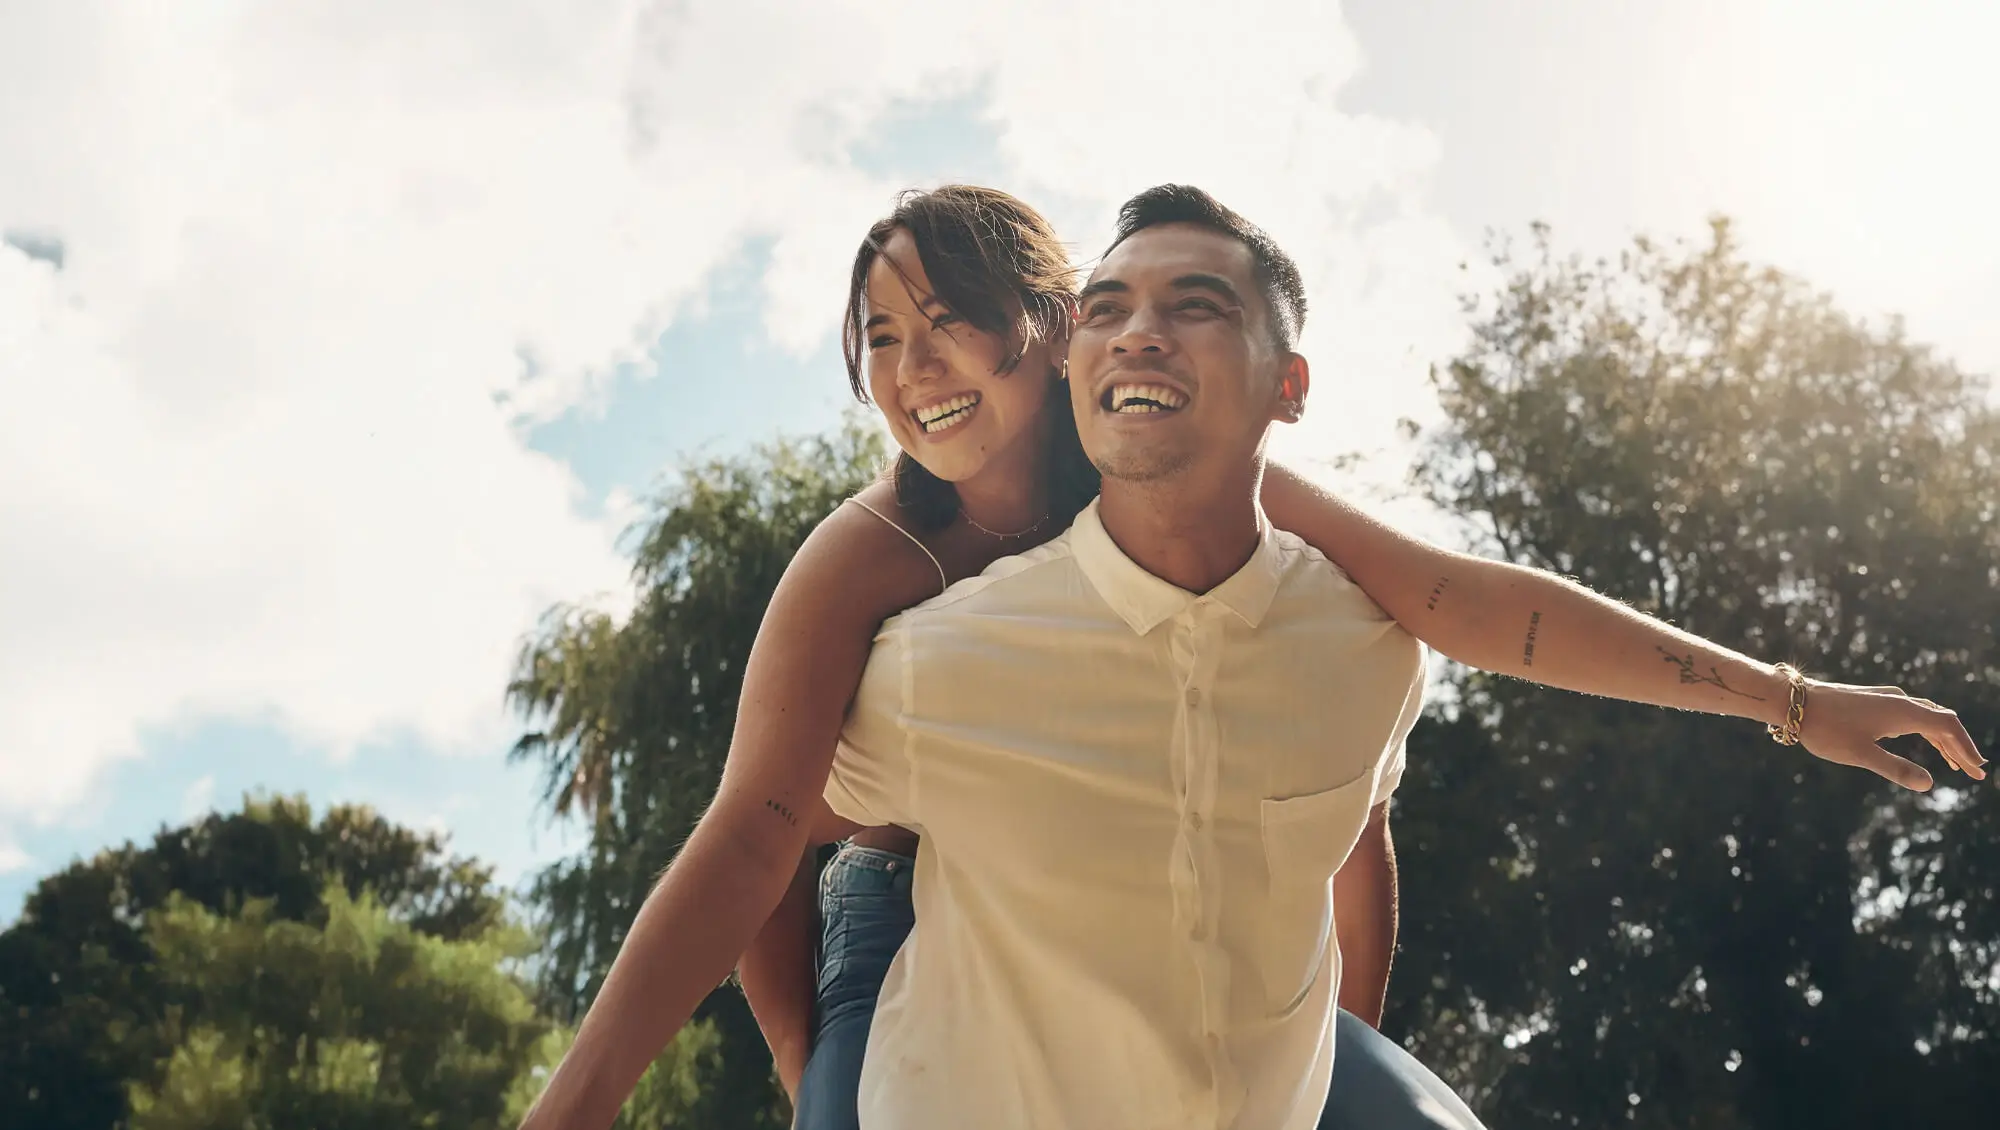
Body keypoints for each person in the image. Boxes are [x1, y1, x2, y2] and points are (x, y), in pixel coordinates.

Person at [514, 186, 1983, 1130]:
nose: (913, 368)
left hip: (1178, 926)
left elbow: (1450, 610)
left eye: (951, 321)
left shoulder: (1180, 492)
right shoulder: (872, 563)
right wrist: (740, 1076)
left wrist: (1792, 701)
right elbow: (756, 836)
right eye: (880, 338)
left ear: (1046, 328)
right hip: (897, 916)